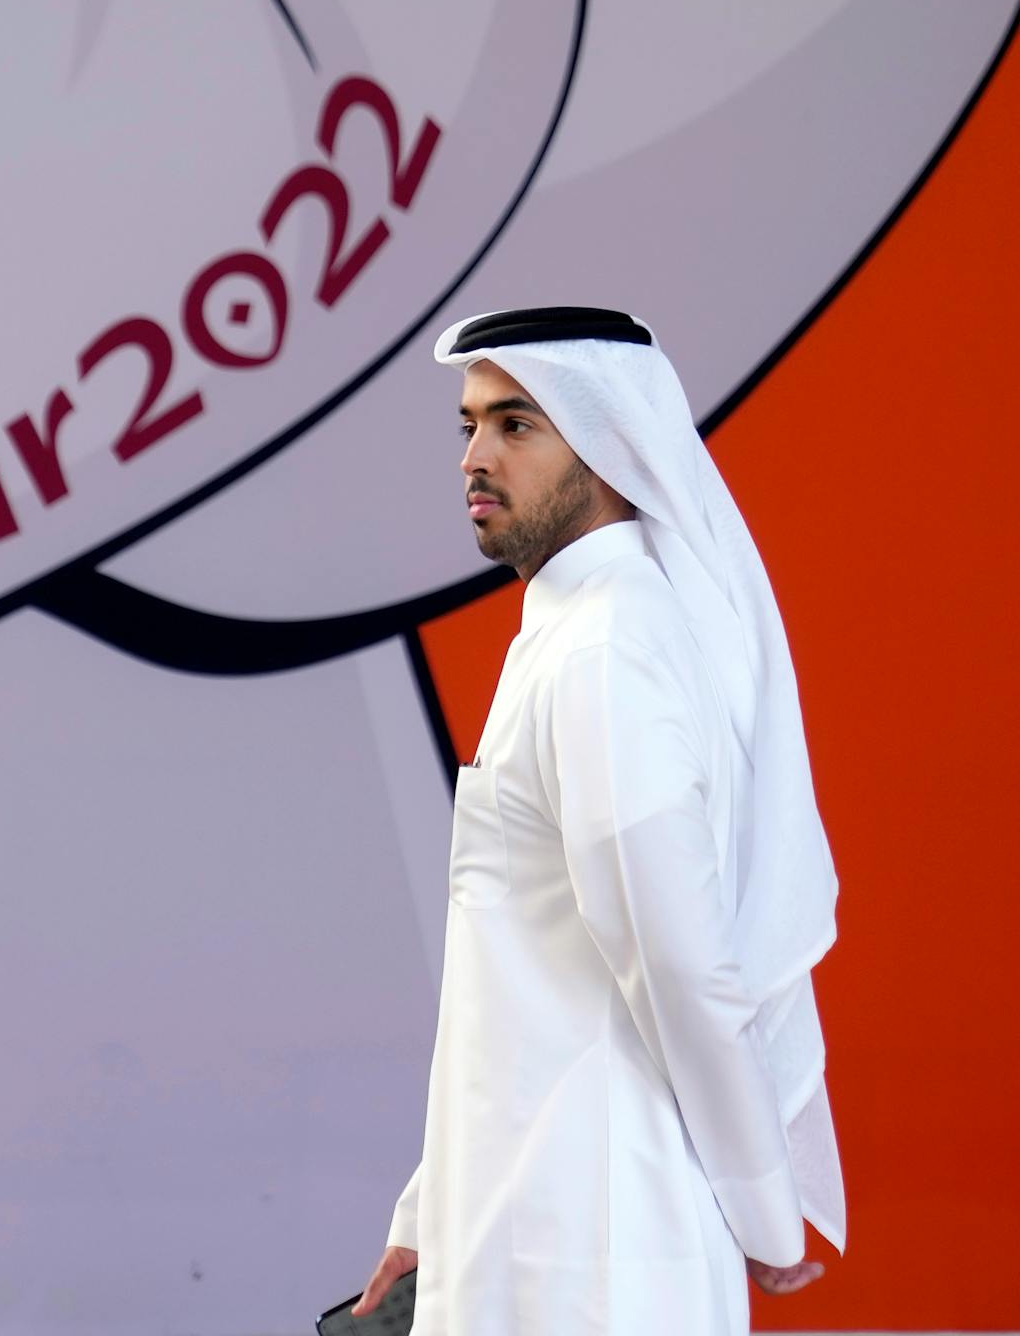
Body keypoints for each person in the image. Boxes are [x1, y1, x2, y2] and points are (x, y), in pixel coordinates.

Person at [351, 308, 845, 1333]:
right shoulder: (574, 631)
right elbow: (521, 973)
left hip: (600, 1247)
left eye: (516, 425)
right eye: (469, 426)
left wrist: (767, 1213)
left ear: (610, 443)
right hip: (534, 1226)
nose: (475, 457)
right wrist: (428, 1209)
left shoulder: (607, 650)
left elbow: (679, 966)